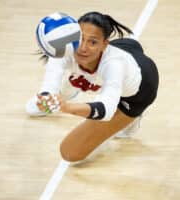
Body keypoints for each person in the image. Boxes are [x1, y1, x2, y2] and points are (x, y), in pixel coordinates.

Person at [26, 11, 159, 163]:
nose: (83, 48)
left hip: (140, 88)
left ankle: (133, 117)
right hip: (123, 50)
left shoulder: (114, 65)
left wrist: (67, 107)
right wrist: (46, 97)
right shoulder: (66, 47)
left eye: (92, 42)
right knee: (75, 81)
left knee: (70, 153)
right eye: (80, 38)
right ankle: (72, 88)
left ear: (104, 44)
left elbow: (106, 110)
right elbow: (51, 78)